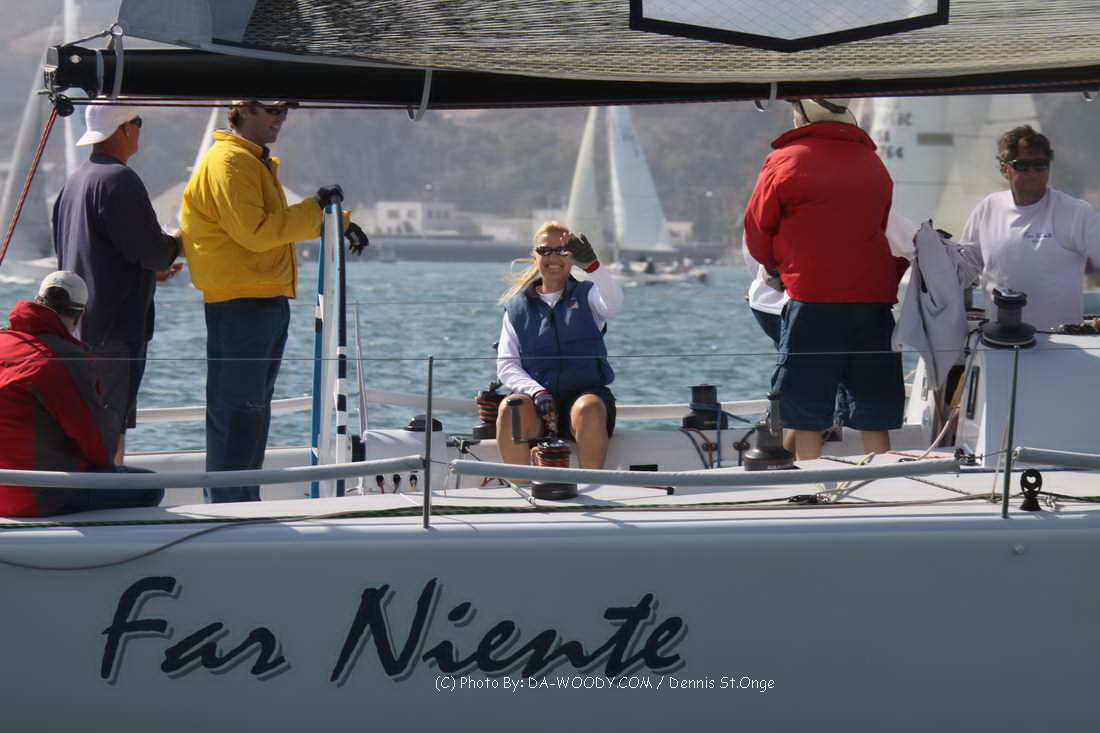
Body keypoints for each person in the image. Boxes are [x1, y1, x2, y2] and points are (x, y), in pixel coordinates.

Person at [179, 99, 368, 503]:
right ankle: (230, 506)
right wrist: (318, 211)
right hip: (242, 302)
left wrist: (337, 220)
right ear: (243, 109)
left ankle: (240, 501)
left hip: (257, 298)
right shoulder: (231, 163)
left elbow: (266, 229)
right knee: (240, 410)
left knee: (250, 409)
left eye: (285, 110)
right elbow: (259, 233)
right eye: (273, 110)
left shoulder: (248, 161)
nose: (281, 118)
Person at [744, 98, 908, 461]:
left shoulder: (784, 159)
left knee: (806, 408)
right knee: (873, 406)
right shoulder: (872, 162)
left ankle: (813, 482)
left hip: (813, 297)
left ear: (802, 116)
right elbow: (880, 223)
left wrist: (777, 268)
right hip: (873, 297)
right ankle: (882, 478)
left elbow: (757, 228)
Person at [52, 102, 182, 464]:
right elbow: (152, 251)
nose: (140, 129)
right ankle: (106, 494)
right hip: (113, 331)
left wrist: (149, 272)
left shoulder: (75, 182)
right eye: (138, 122)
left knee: (86, 427)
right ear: (124, 129)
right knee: (109, 431)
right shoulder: (119, 180)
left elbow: (94, 251)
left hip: (79, 329)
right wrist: (178, 242)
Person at [0, 271, 163, 517]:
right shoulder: (62, 360)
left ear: (37, 301)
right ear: (78, 316)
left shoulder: (4, 341)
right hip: (35, 496)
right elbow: (98, 445)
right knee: (149, 486)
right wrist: (111, 420)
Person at [496, 222, 623, 470]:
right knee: (511, 407)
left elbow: (614, 303)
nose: (553, 258)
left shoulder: (589, 295)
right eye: (545, 251)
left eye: (562, 251)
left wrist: (593, 267)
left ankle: (593, 483)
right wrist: (537, 392)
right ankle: (519, 486)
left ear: (572, 257)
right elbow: (507, 366)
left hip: (586, 399)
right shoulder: (516, 309)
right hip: (537, 402)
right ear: (534, 256)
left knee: (589, 408)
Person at [958, 125, 1100, 330]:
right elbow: (963, 267)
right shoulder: (988, 208)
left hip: (1063, 342)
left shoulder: (1076, 212)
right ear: (1004, 169)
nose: (1033, 173)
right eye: (1023, 165)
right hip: (999, 340)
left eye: (1040, 165)